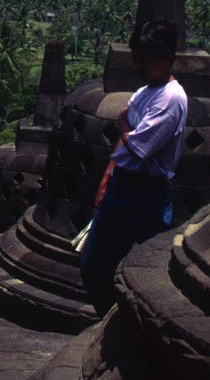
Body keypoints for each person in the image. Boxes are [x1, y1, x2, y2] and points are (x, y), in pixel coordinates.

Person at [79, 19, 187, 314]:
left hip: (145, 194)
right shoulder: (145, 91)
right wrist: (107, 176)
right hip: (121, 184)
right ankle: (107, 319)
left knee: (130, 270)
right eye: (136, 57)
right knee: (93, 264)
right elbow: (125, 144)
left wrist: (124, 124)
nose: (137, 64)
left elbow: (139, 148)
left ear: (165, 60)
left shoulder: (171, 99)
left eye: (144, 59)